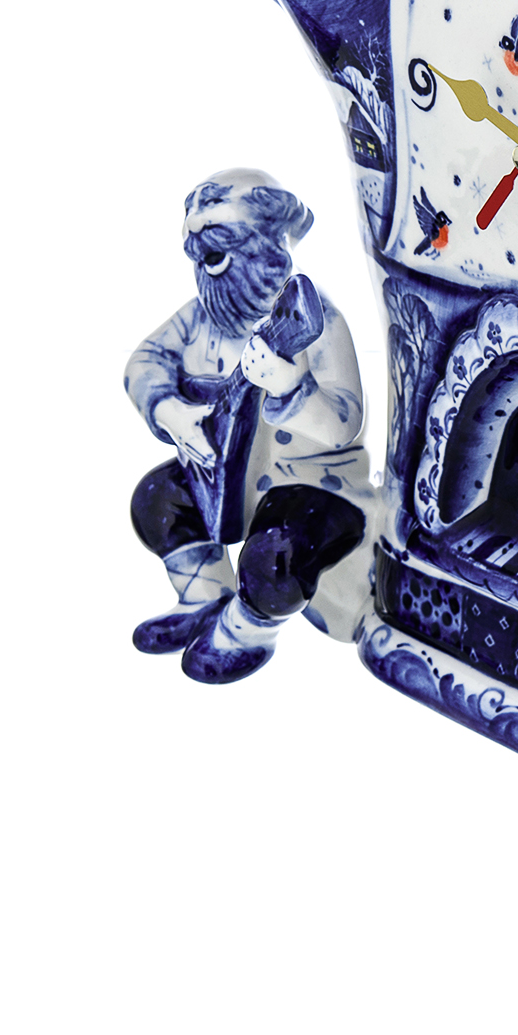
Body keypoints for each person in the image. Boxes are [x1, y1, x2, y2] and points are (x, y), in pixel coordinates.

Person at [125, 168, 368, 684]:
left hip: (310, 486)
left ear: (270, 245)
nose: (209, 269)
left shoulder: (318, 324)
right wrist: (168, 410)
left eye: (223, 252)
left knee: (275, 557)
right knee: (156, 499)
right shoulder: (198, 318)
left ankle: (245, 630)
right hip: (222, 479)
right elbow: (145, 360)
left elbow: (344, 422)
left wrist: (291, 387)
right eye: (203, 259)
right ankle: (201, 594)